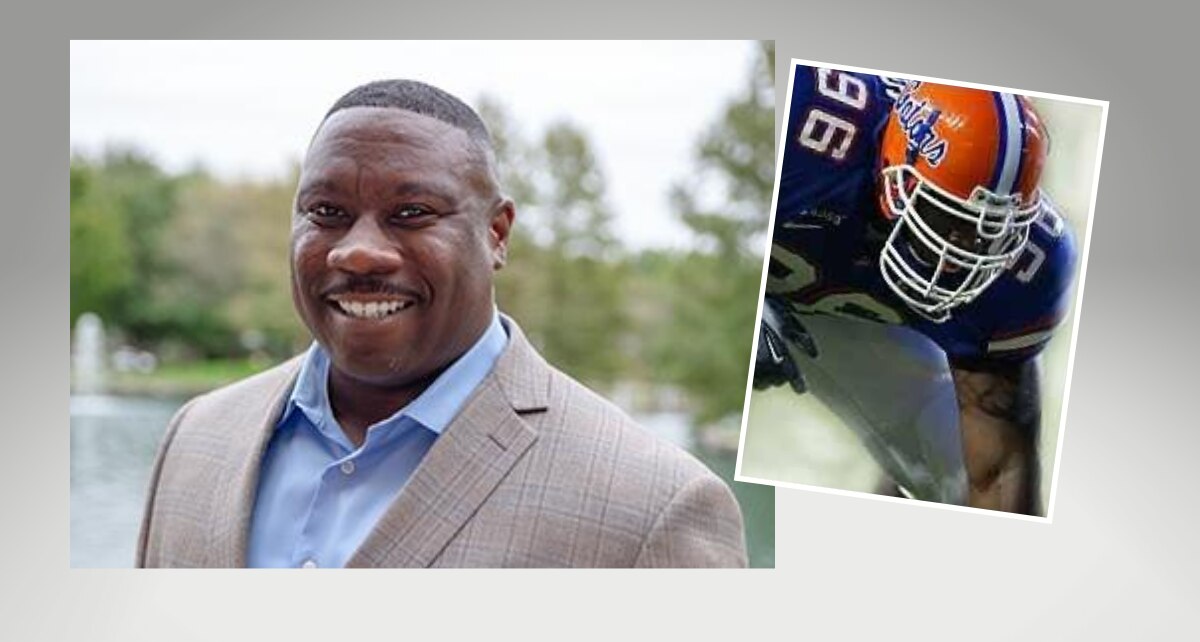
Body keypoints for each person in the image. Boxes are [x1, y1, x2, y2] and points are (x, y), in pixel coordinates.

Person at [137, 80, 748, 567]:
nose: (357, 252)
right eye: (327, 212)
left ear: (496, 233)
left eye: (411, 213)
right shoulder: (195, 439)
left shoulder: (653, 508)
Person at [752, 65, 1077, 515]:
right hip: (782, 279)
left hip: (859, 312)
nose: (958, 257)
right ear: (896, 170)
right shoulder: (803, 130)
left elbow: (997, 473)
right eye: (948, 220)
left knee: (964, 480)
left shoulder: (1028, 266)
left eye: (986, 235)